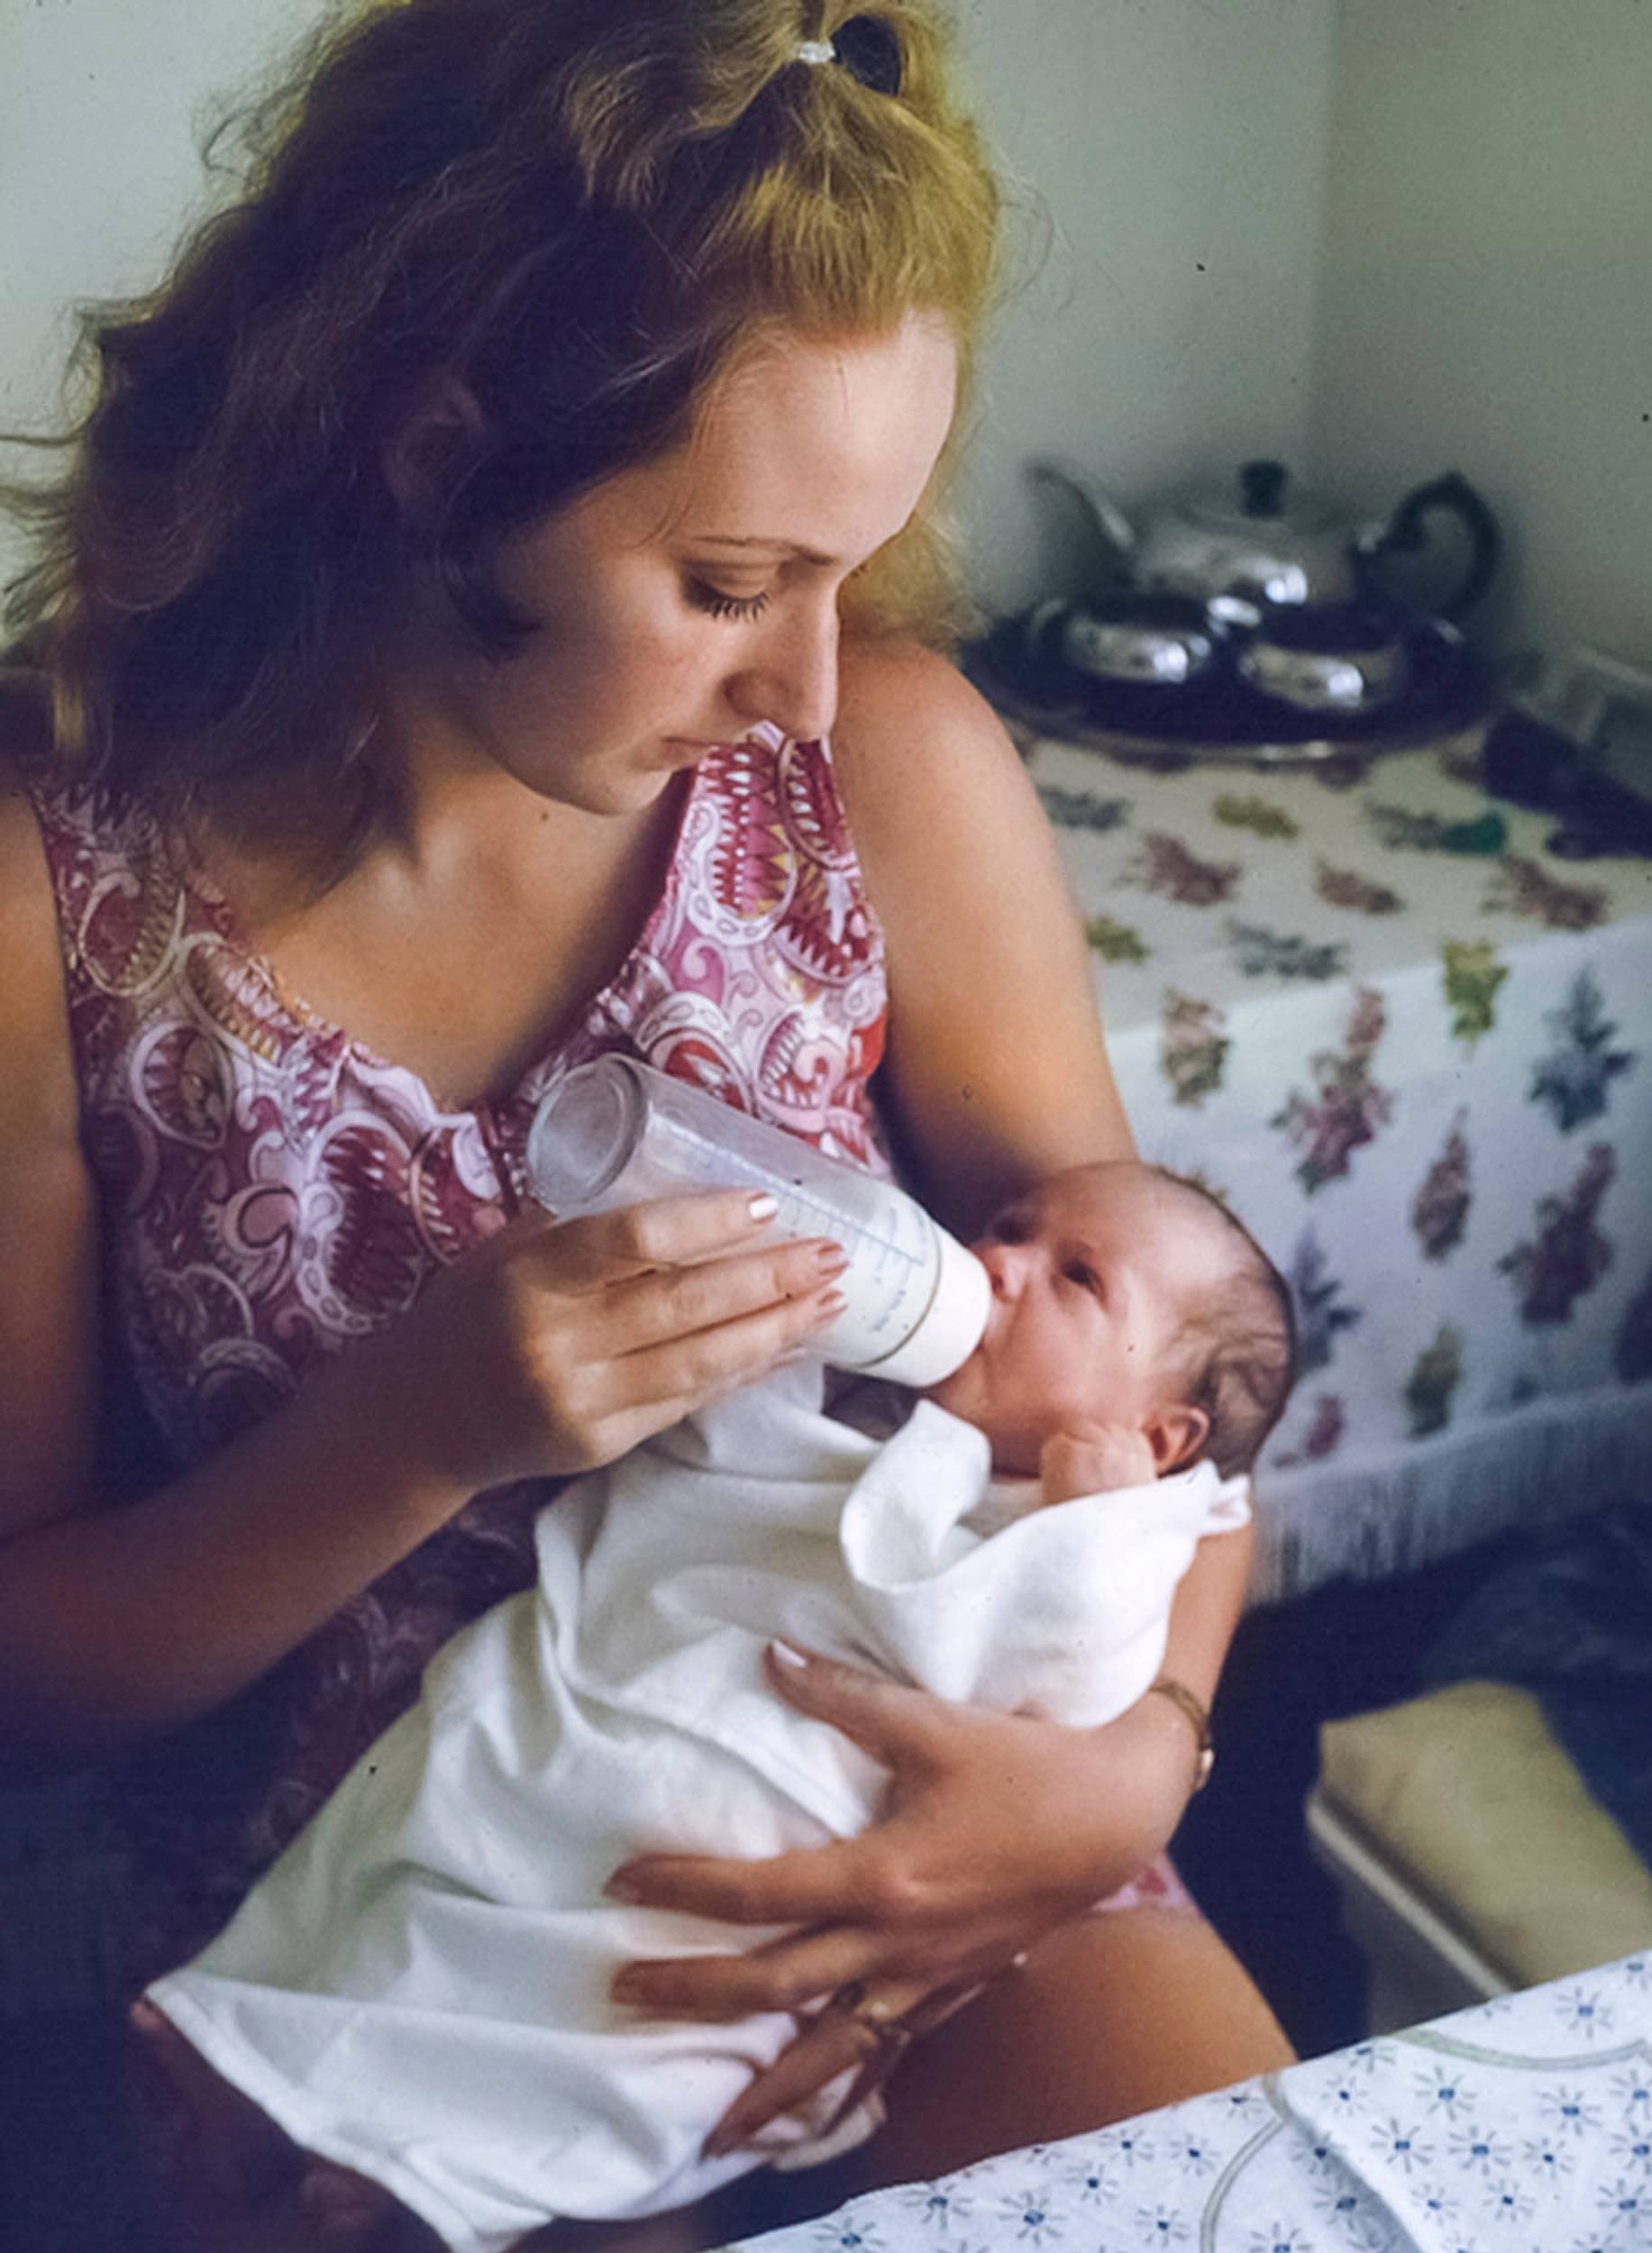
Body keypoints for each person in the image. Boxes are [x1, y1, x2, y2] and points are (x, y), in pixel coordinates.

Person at [0, 5, 1293, 2246]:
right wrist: (411, 1431)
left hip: (904, 1826)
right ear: (436, 454)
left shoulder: (883, 773)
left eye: (849, 567)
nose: (803, 683)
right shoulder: (57, 896)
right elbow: (30, 1676)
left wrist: (1125, 1769)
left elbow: (1180, 1389)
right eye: (729, 584)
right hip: (392, 1932)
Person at [133, 1161, 1296, 2252]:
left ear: (1161, 1436)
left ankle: (424, 2173)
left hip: (784, 1859)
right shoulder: (871, 1423)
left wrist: (1094, 1531)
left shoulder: (1126, 1532)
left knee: (625, 2017)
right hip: (599, 1732)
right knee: (458, 1864)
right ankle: (271, 2062)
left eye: (1075, 1278)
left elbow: (1080, 1679)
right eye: (1009, 1229)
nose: (998, 1262)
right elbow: (720, 1481)